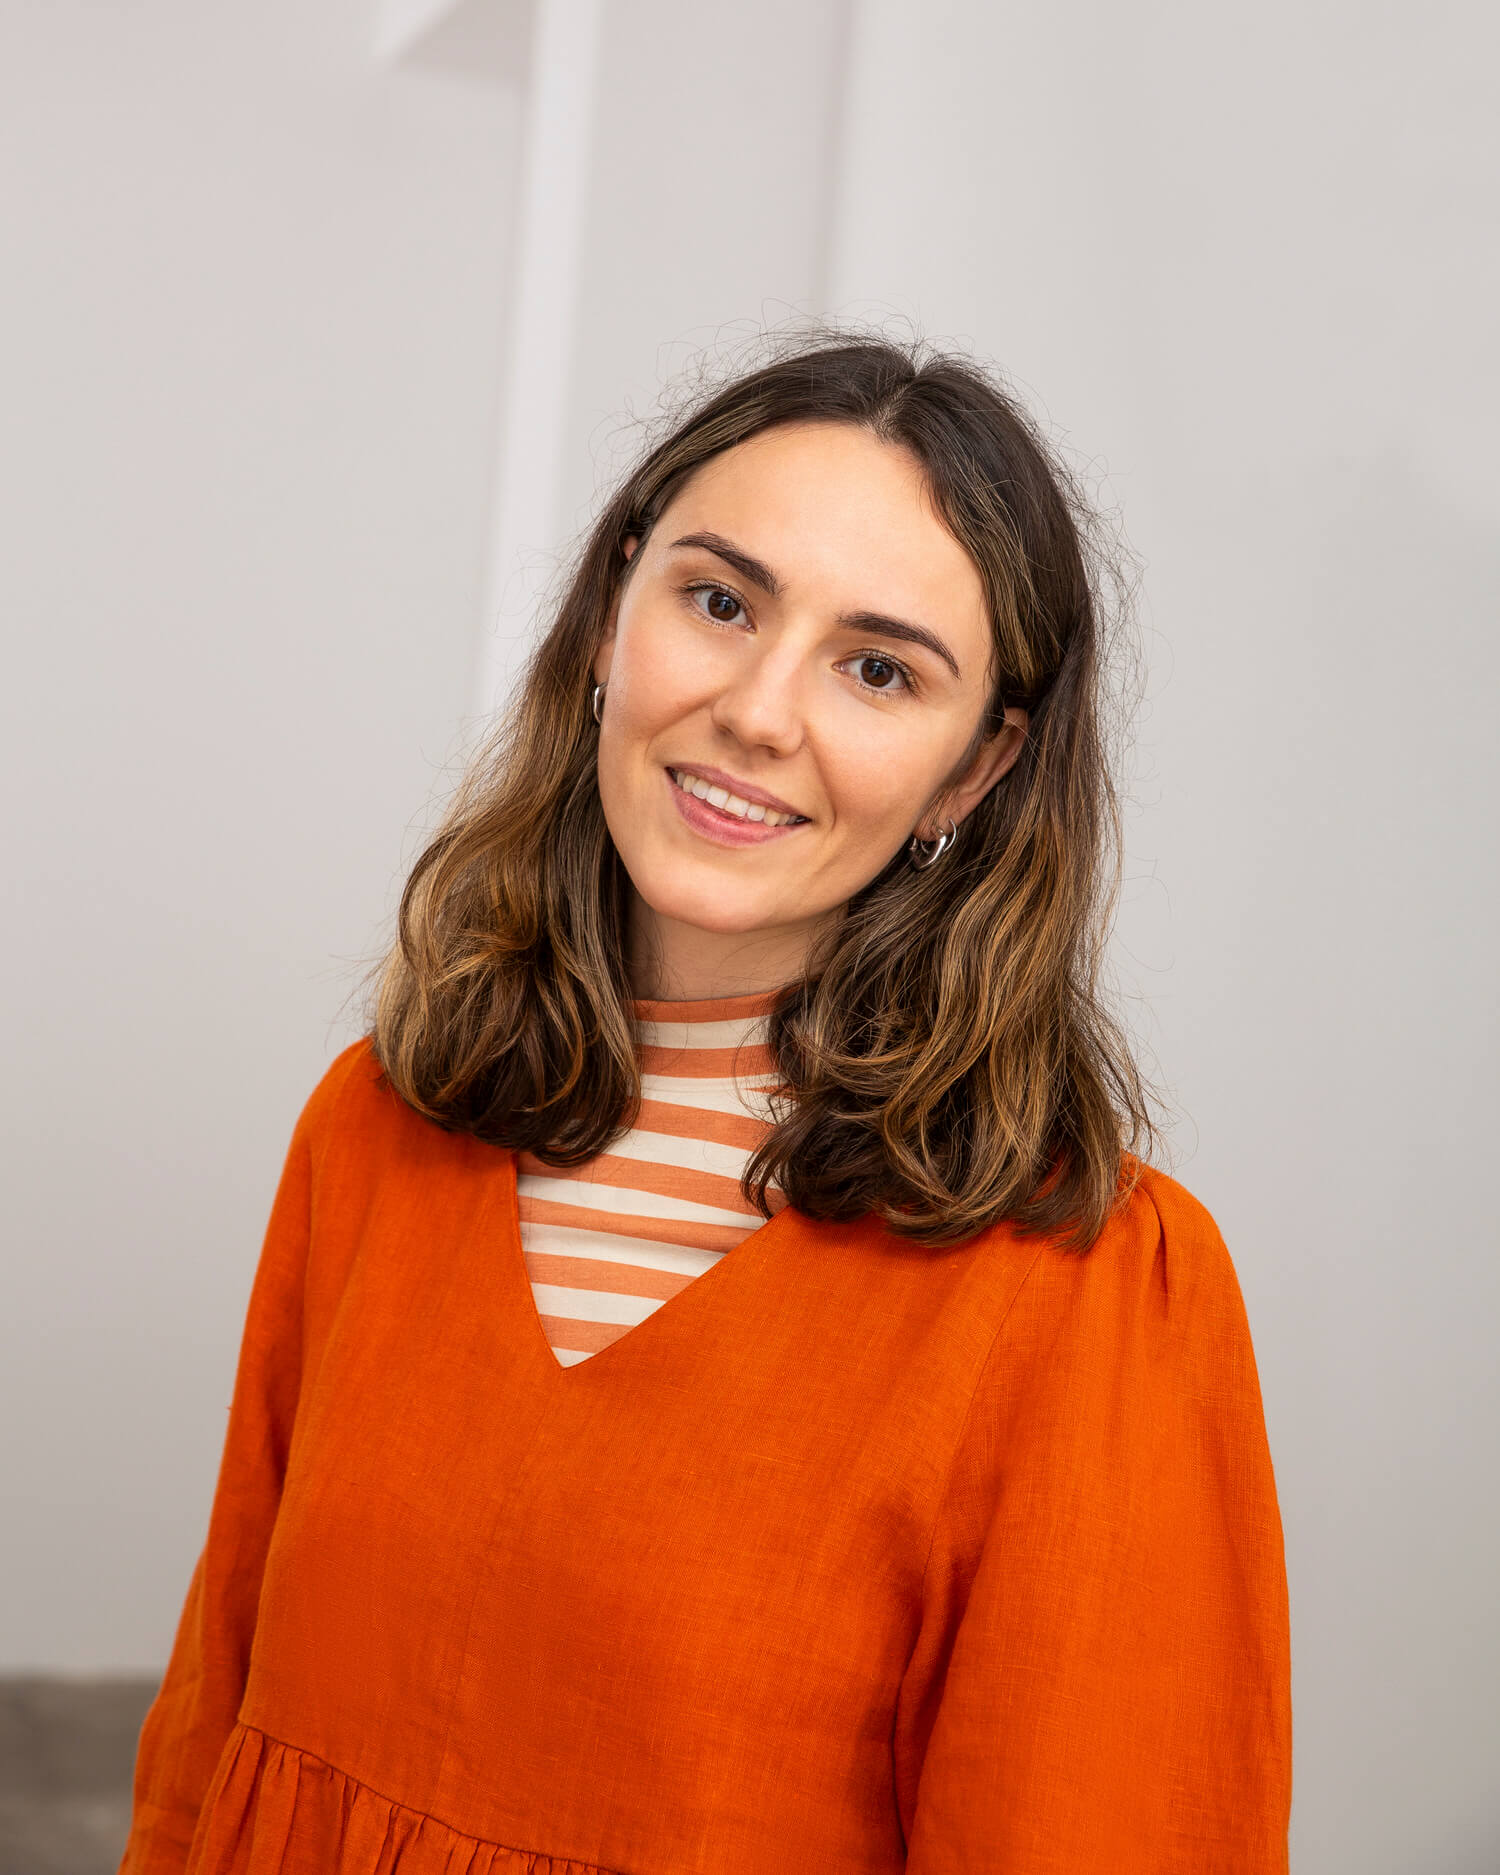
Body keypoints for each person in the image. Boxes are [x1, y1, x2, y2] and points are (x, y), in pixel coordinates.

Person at [119, 331, 1292, 1874]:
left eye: (879, 669)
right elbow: (216, 1743)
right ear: (615, 614)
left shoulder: (1093, 1300)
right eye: (721, 601)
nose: (757, 709)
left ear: (972, 773)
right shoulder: (378, 1125)